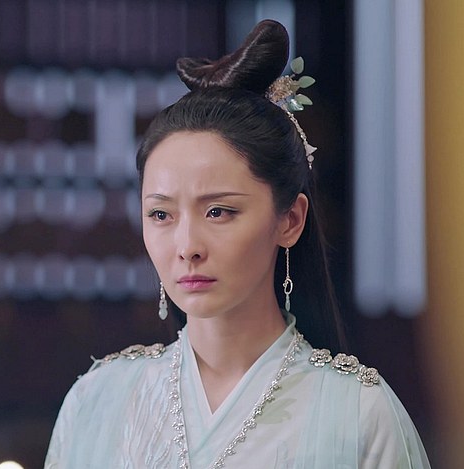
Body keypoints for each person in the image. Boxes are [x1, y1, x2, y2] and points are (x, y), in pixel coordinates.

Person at [45, 19, 430, 468]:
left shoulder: (359, 414)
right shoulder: (96, 401)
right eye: (161, 215)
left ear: (290, 220)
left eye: (218, 212)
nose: (187, 246)